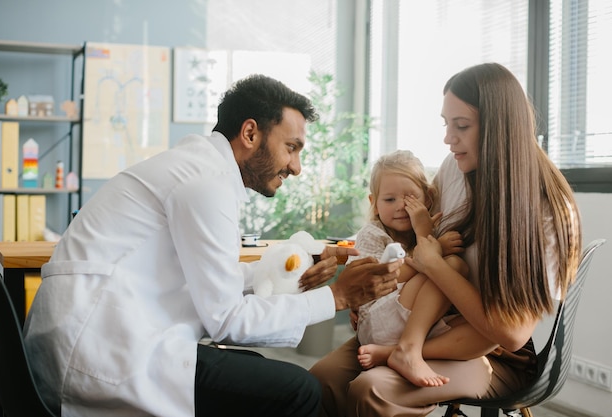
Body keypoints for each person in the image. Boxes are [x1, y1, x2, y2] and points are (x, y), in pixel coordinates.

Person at [23, 74, 403, 417]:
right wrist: (336, 298)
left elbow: (213, 276)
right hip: (99, 354)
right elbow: (227, 321)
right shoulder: (207, 184)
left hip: (97, 337)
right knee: (298, 391)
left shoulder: (199, 169)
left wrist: (299, 272)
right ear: (251, 133)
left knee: (258, 373)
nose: (296, 166)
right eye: (291, 147)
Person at [309, 62, 582, 417]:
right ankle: (402, 350)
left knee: (371, 390)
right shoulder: (456, 168)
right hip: (428, 321)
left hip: (492, 352)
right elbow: (406, 223)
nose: (448, 138)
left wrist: (433, 266)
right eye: (446, 124)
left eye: (462, 126)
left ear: (500, 128)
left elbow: (511, 334)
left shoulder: (549, 210)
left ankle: (403, 352)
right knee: (321, 379)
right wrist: (367, 283)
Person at [349, 149, 477, 388]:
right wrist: (435, 246)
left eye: (410, 200)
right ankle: (406, 350)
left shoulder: (428, 229)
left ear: (427, 199)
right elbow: (384, 280)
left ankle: (396, 351)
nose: (400, 207)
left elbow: (430, 264)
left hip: (408, 322)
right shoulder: (372, 234)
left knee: (455, 266)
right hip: (378, 320)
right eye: (389, 200)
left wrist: (424, 234)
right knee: (448, 265)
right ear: (373, 203)